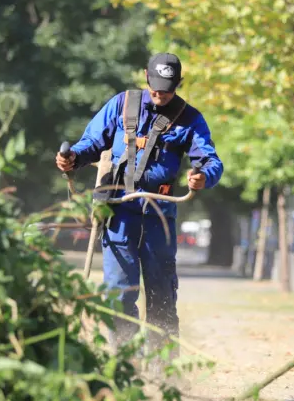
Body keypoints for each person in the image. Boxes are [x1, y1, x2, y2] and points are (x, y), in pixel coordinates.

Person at [55, 52, 224, 361]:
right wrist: (73, 159)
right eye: (156, 86)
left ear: (178, 84)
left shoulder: (190, 118)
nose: (160, 93)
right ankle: (126, 365)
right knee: (119, 294)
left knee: (161, 298)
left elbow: (211, 161)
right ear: (147, 78)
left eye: (168, 88)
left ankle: (164, 373)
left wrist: (202, 177)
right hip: (118, 214)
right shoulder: (121, 105)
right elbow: (91, 143)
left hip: (159, 217)